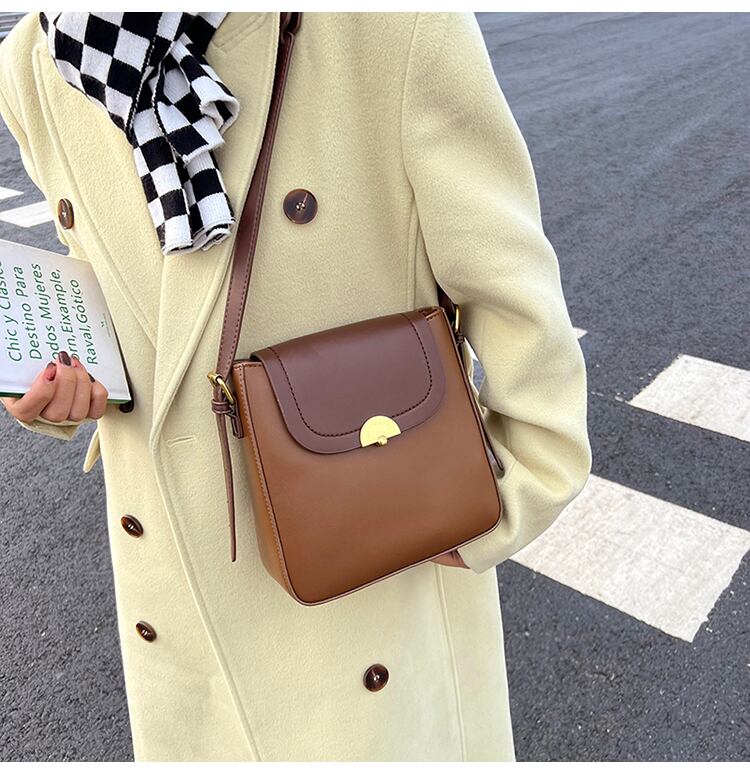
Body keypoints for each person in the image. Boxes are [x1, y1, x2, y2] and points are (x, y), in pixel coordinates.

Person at [0, 11, 591, 762]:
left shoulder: (390, 26)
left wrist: (502, 499)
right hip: (174, 597)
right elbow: (123, 297)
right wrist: (57, 387)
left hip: (365, 556)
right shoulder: (34, 62)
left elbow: (512, 291)